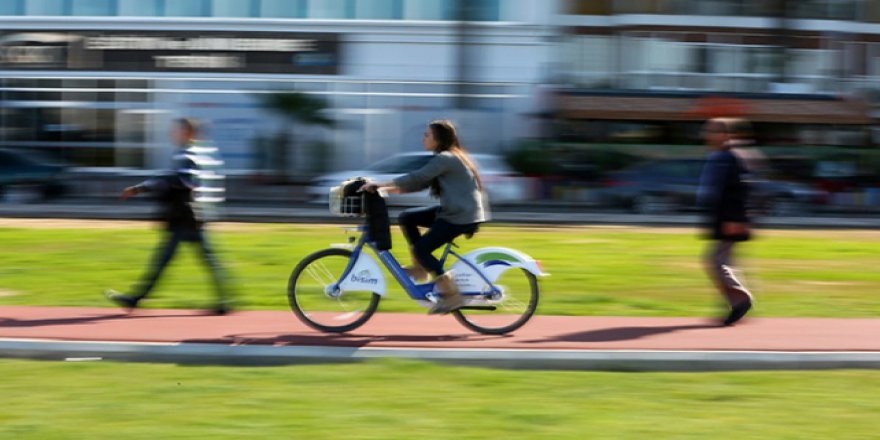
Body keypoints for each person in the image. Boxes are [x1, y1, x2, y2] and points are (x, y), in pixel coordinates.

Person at [105, 118, 232, 315]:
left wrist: (142, 188)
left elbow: (181, 180)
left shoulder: (189, 153)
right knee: (200, 260)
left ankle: (135, 299)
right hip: (191, 217)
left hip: (187, 218)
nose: (172, 133)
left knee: (167, 261)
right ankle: (225, 301)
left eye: (176, 130)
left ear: (188, 132)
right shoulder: (195, 152)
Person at [363, 120, 488, 315]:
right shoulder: (447, 158)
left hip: (460, 215)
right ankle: (420, 268)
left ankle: (452, 295)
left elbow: (417, 177)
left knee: (422, 249)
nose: (423, 139)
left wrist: (379, 184)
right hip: (455, 210)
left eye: (427, 135)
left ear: (439, 139)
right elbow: (419, 184)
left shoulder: (446, 158)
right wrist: (385, 188)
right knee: (407, 218)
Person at [698, 117, 755, 326]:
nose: (706, 135)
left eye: (711, 131)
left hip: (730, 220)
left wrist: (735, 218)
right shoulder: (720, 156)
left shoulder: (731, 158)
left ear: (724, 135)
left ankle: (742, 299)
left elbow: (742, 190)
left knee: (715, 261)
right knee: (725, 263)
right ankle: (732, 305)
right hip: (724, 218)